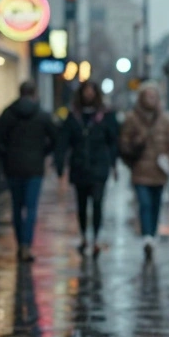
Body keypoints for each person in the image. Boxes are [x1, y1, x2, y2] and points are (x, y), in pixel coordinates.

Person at [0, 80, 57, 263]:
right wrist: (42, 153)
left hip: (13, 166)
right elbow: (55, 138)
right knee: (31, 207)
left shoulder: (8, 114)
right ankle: (27, 244)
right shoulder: (42, 115)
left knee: (17, 206)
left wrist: (6, 156)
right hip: (34, 167)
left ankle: (20, 243)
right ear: (34, 93)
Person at [55, 80, 119, 257]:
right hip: (79, 167)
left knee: (97, 202)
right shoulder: (73, 116)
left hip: (99, 166)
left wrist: (113, 163)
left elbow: (113, 140)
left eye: (92, 91)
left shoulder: (105, 116)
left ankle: (96, 238)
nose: (88, 95)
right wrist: (60, 164)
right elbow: (63, 141)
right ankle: (84, 236)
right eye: (86, 91)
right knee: (81, 205)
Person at [119, 83, 169, 259]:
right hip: (140, 170)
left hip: (159, 171)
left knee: (155, 204)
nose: (151, 100)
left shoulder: (166, 120)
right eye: (148, 96)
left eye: (154, 96)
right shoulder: (132, 118)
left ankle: (152, 235)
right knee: (144, 204)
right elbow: (124, 143)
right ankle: (147, 236)